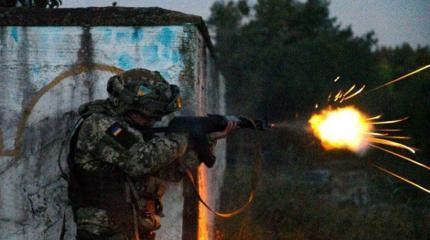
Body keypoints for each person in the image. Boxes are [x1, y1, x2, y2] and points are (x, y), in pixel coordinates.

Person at [68, 68, 236, 240]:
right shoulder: (101, 125)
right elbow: (142, 162)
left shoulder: (135, 134)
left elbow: (172, 171)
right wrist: (181, 135)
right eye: (148, 115)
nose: (153, 121)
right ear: (129, 106)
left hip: (131, 229)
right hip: (103, 232)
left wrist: (207, 140)